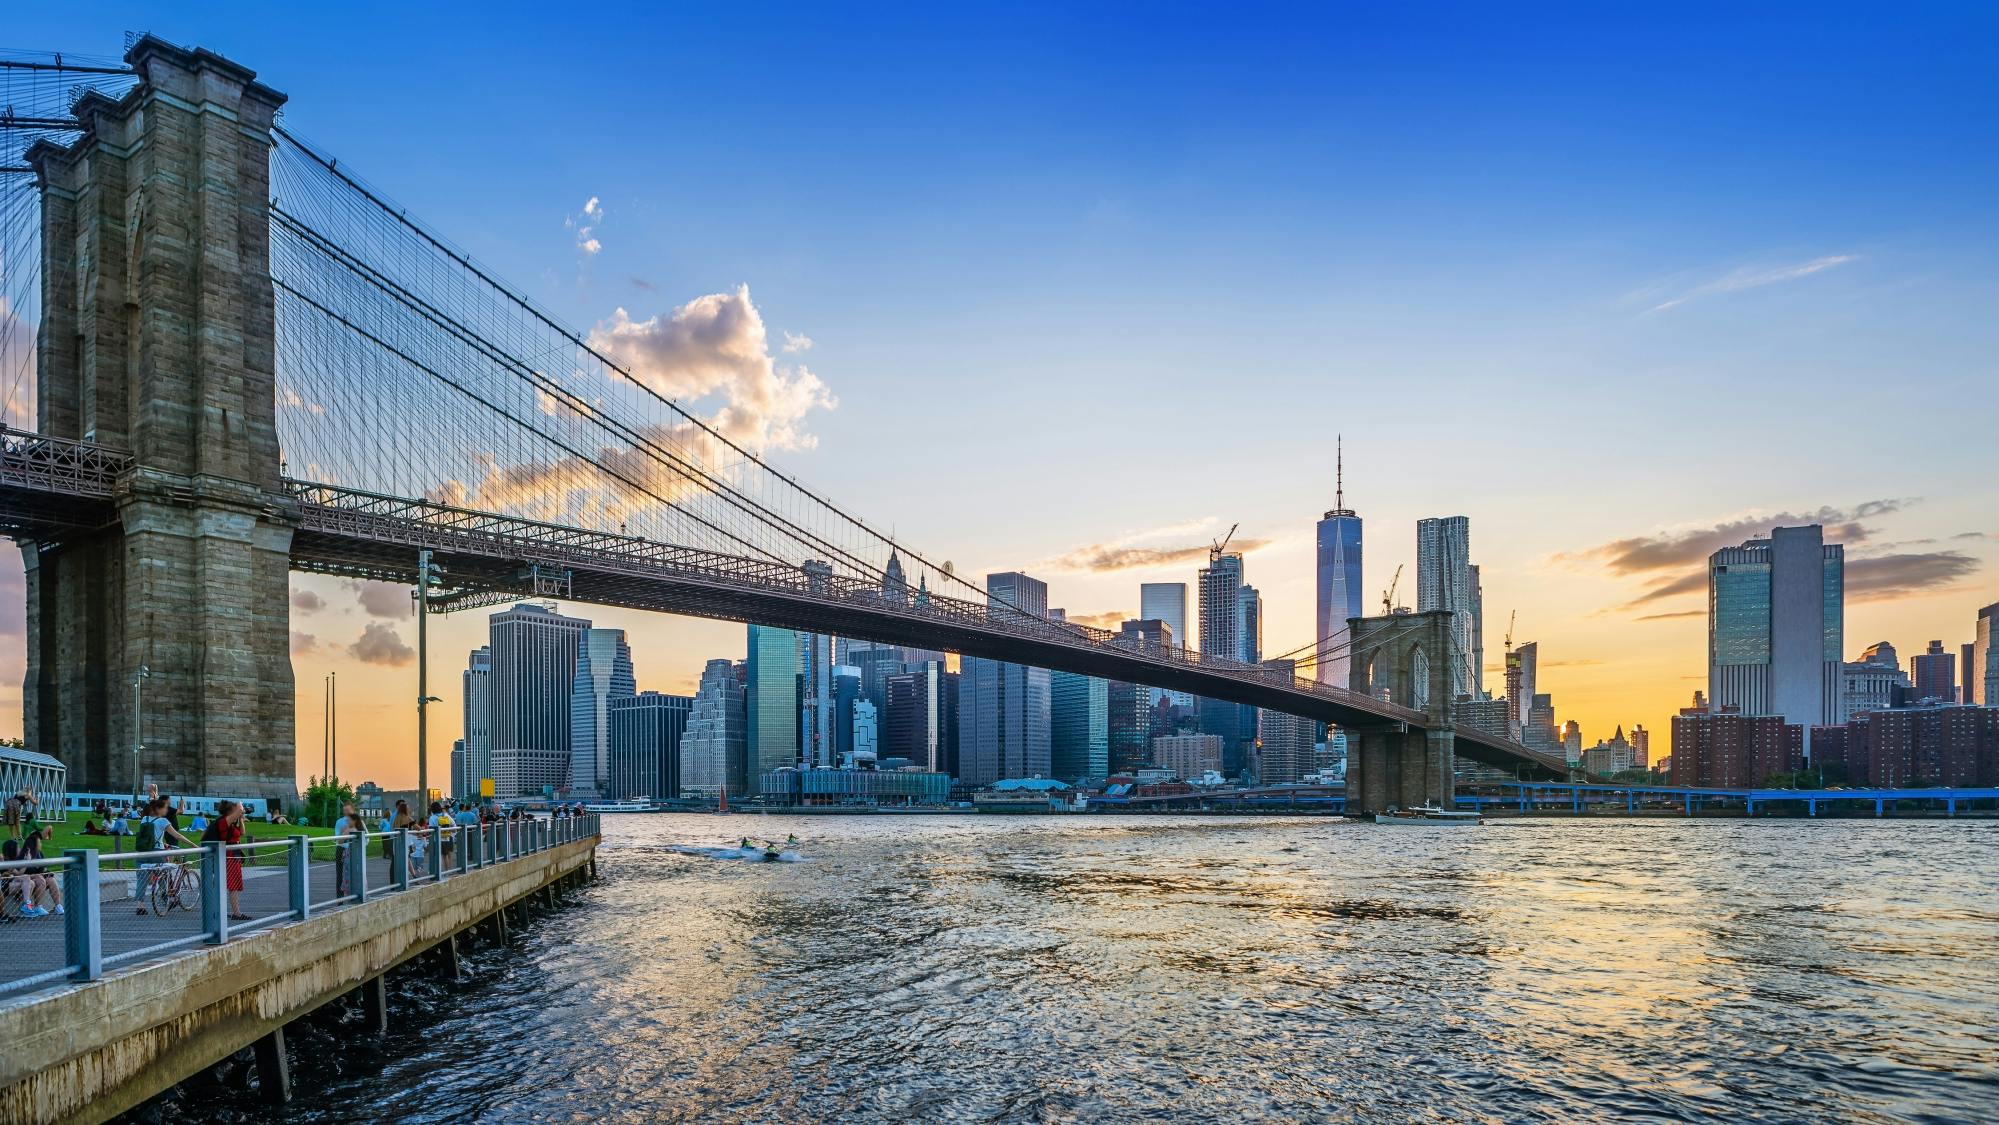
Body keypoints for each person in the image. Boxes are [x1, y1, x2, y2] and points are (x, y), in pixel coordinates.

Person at [134, 798, 196, 913]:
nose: (166, 810)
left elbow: (149, 837)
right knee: (164, 875)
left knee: (141, 879)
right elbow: (177, 836)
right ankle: (165, 897)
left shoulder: (144, 819)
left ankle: (140, 906)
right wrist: (192, 844)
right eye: (165, 808)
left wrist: (163, 842)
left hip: (142, 852)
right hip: (157, 853)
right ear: (158, 809)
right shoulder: (163, 821)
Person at [201, 801, 250, 921]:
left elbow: (242, 833)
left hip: (234, 855)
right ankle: (236, 913)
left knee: (232, 885)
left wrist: (241, 818)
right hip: (228, 856)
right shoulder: (223, 822)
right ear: (229, 811)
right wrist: (240, 804)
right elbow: (239, 809)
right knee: (231, 885)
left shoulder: (231, 823)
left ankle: (233, 911)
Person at [332, 802, 361, 898]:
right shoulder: (340, 822)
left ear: (353, 810)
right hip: (342, 850)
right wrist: (344, 832)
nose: (346, 813)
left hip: (355, 852)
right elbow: (336, 839)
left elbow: (366, 838)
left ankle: (356, 895)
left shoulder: (359, 821)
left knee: (357, 873)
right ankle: (339, 900)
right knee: (340, 875)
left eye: (348, 810)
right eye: (344, 811)